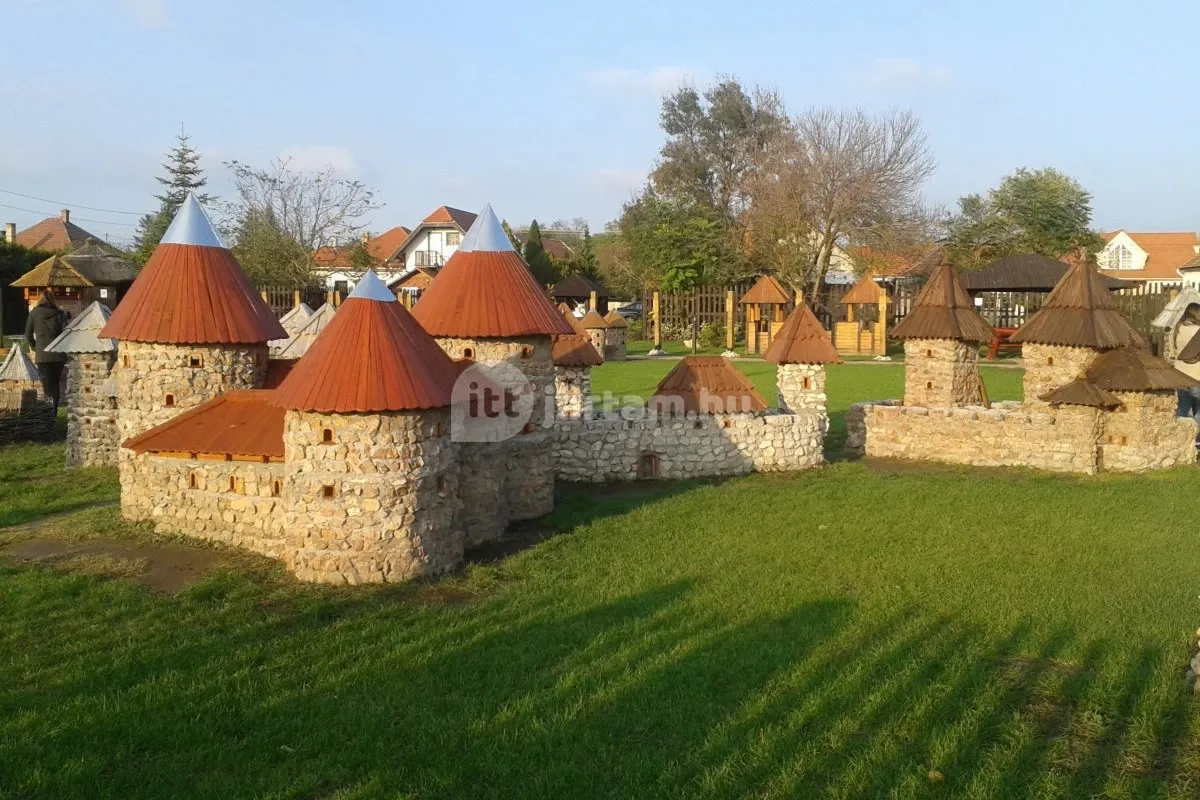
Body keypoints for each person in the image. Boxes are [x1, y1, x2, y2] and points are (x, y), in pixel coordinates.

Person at [24, 289, 68, 411]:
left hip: (42, 356)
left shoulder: (34, 314)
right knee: (55, 385)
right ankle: (54, 411)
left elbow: (27, 335)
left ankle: (49, 413)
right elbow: (66, 334)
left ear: (40, 299)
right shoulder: (60, 314)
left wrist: (35, 348)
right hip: (58, 355)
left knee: (47, 386)